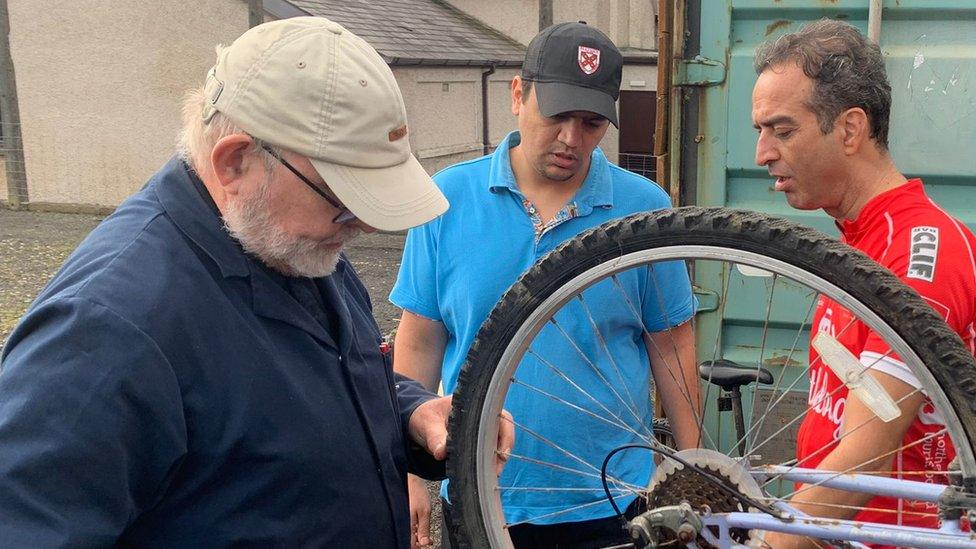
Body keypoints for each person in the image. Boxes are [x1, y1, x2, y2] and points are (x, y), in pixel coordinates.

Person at [0, 17, 513, 547]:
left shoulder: (286, 242)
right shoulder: (108, 328)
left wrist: (411, 412)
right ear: (236, 161)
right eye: (342, 198)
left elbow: (320, 383)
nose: (362, 224)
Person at [391, 21, 702, 548]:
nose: (570, 140)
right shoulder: (445, 200)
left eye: (591, 123)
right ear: (518, 93)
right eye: (556, 115)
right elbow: (420, 339)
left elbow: (671, 344)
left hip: (610, 501)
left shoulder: (643, 209)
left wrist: (690, 473)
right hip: (477, 492)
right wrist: (409, 472)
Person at [752, 18, 976, 548]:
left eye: (782, 131)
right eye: (761, 131)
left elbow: (864, 449)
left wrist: (769, 543)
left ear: (850, 129)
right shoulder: (856, 239)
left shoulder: (918, 249)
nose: (762, 153)